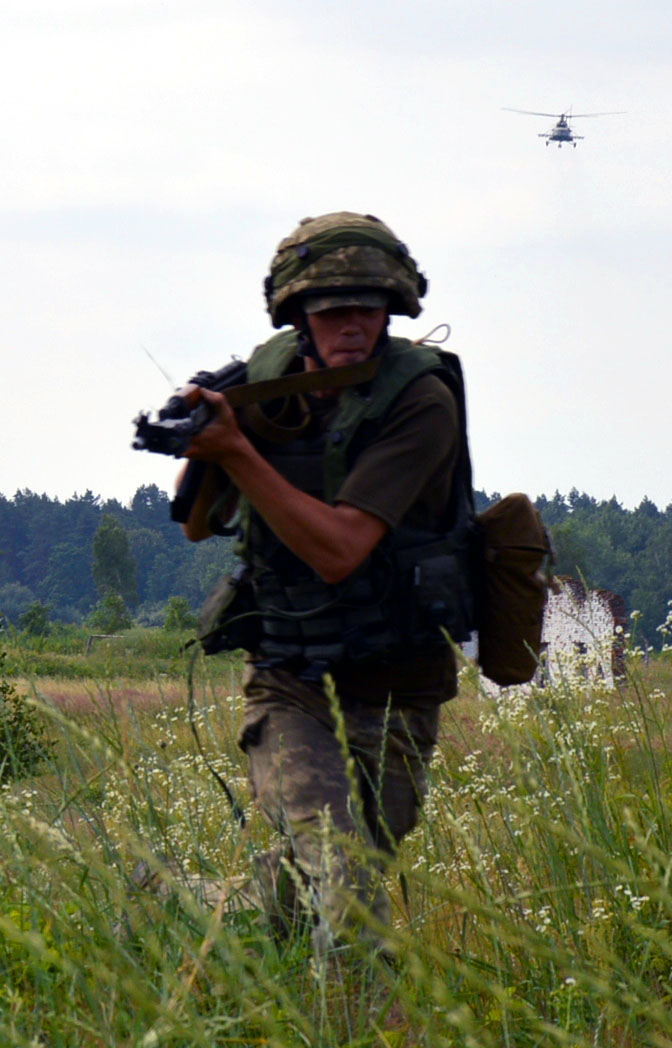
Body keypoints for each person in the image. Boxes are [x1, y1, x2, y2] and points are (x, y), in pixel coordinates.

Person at [178, 211, 475, 956]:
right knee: (347, 889)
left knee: (317, 884)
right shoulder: (267, 383)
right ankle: (361, 1014)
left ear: (392, 311)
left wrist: (237, 452)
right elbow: (198, 524)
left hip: (399, 685)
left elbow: (342, 549)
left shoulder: (420, 401)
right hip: (291, 681)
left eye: (368, 308)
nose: (351, 324)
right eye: (331, 309)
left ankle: (195, 916)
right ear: (298, 316)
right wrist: (205, 442)